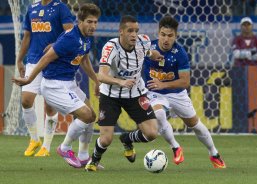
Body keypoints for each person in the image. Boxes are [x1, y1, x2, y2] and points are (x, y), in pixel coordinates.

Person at [13, 3, 103, 168]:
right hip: (54, 85)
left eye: (95, 22)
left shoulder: (86, 38)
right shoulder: (70, 38)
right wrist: (29, 79)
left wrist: (96, 81)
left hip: (68, 83)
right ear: (80, 21)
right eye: (89, 22)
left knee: (92, 116)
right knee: (85, 115)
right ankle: (64, 147)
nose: (93, 26)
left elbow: (84, 59)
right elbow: (46, 58)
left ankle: (83, 156)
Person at [143, 16, 226, 169]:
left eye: (170, 35)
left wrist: (163, 83)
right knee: (159, 114)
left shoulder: (180, 53)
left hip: (177, 94)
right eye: (163, 34)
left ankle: (214, 153)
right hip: (155, 93)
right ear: (158, 33)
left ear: (176, 36)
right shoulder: (148, 48)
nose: (166, 39)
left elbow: (185, 82)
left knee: (196, 125)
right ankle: (176, 147)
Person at [85, 15, 164, 172]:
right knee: (106, 139)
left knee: (152, 133)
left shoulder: (143, 41)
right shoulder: (110, 47)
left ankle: (127, 139)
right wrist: (120, 82)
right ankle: (94, 160)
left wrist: (154, 55)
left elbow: (147, 52)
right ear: (121, 32)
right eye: (130, 31)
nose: (134, 34)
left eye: (136, 31)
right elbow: (100, 76)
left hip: (136, 93)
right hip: (111, 95)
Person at [17, 0, 73, 157]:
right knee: (26, 100)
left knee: (50, 106)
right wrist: (20, 59)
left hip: (53, 61)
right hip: (33, 60)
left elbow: (70, 33)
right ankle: (34, 140)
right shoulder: (32, 8)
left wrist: (56, 44)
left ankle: (46, 146)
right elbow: (27, 36)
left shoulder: (61, 8)